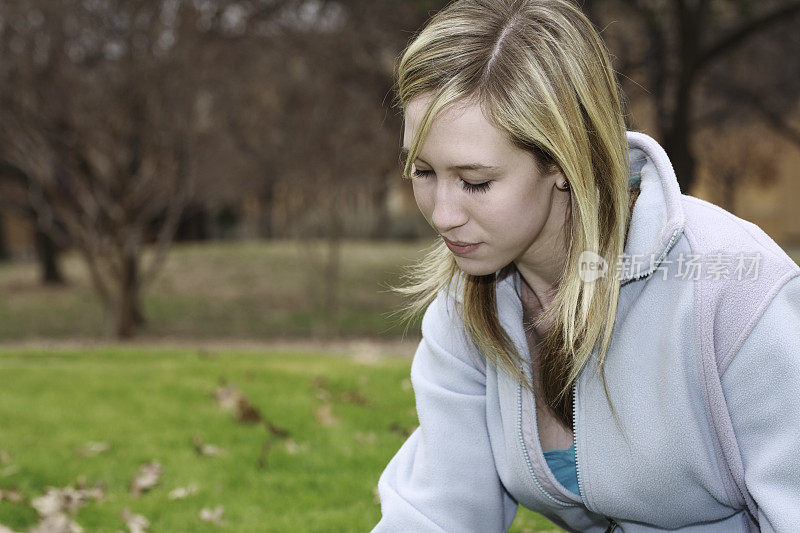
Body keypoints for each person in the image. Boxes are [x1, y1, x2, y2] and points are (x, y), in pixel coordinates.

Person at [372, 0, 800, 531]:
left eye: (476, 182)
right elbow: (438, 513)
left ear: (560, 159)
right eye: (423, 171)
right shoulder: (466, 308)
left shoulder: (734, 287)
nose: (441, 213)